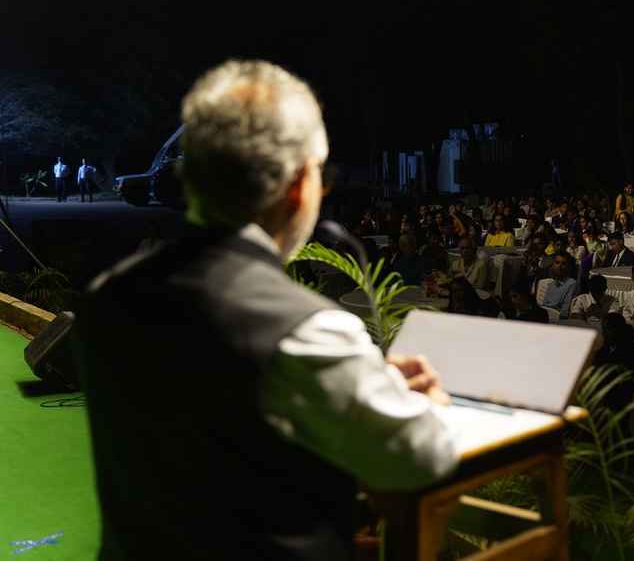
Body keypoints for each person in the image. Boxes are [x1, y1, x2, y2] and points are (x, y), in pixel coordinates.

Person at [71, 61, 457, 559]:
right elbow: (419, 459)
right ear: (298, 184)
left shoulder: (107, 294)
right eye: (321, 174)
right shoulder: (306, 330)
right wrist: (429, 404)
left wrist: (360, 381)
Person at [536, 251, 577, 320]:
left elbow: (564, 312)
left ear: (568, 267)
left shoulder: (571, 283)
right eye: (557, 263)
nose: (559, 266)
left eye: (563, 264)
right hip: (544, 317)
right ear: (553, 265)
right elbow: (544, 305)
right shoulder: (551, 283)